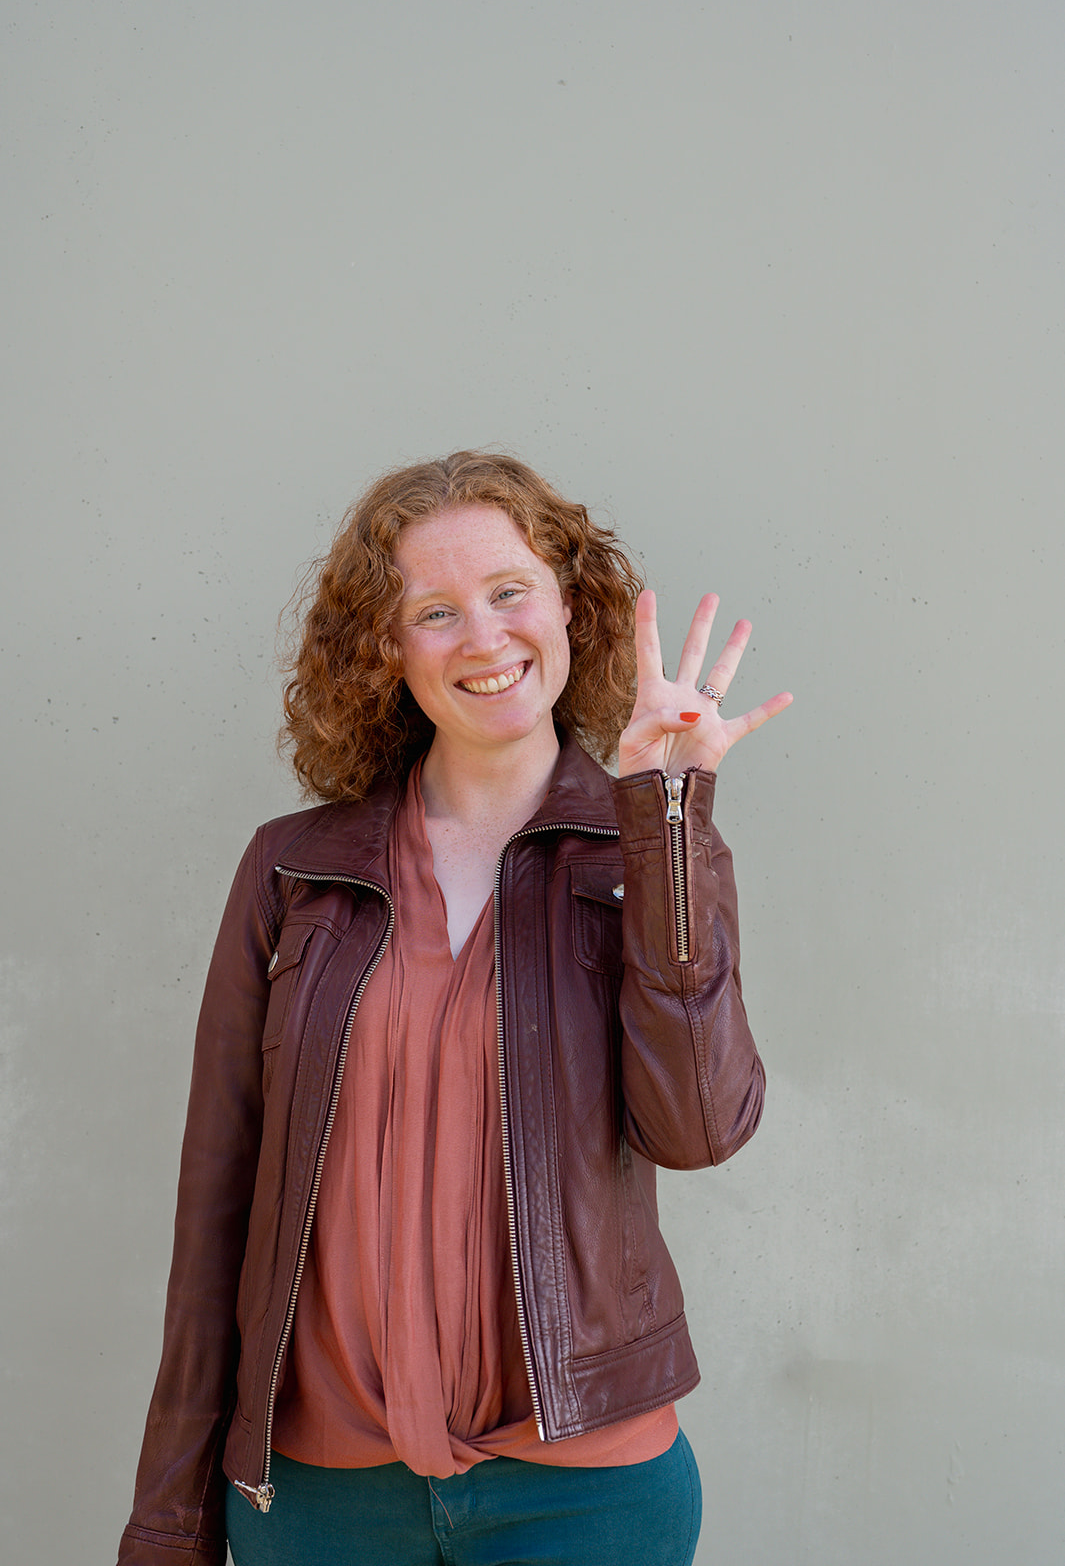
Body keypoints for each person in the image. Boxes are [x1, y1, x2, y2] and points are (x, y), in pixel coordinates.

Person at [117, 450, 792, 1566]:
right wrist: (170, 1519)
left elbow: (701, 1126)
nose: (485, 638)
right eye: (435, 610)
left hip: (584, 1494)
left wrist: (666, 819)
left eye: (510, 591)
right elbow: (216, 1209)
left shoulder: (636, 857)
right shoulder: (294, 873)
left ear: (570, 605)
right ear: (388, 649)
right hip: (322, 1501)